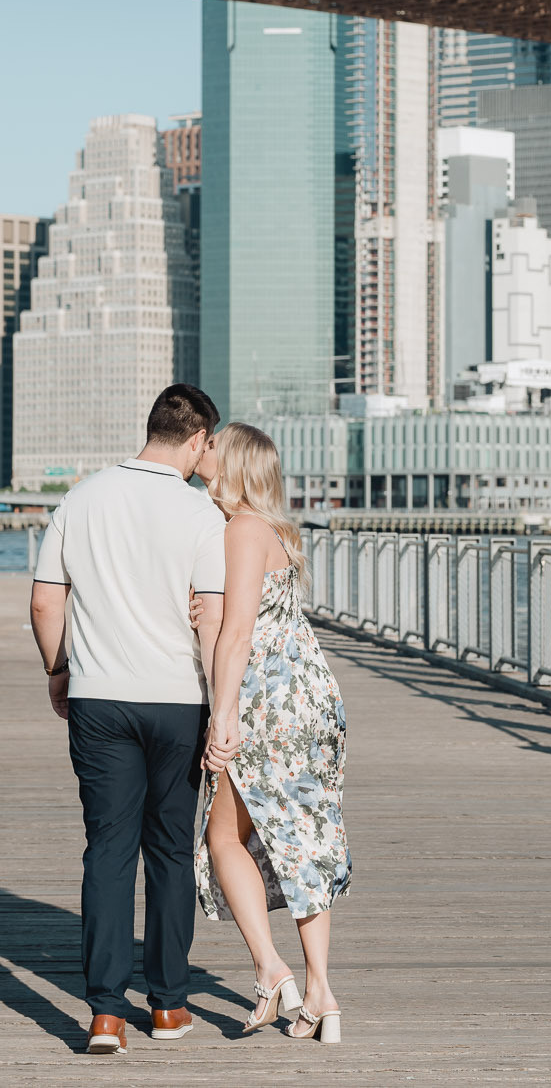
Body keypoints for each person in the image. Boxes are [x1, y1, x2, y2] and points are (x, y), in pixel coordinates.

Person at [29, 383, 227, 1056]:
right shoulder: (200, 513)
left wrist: (59, 668)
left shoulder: (82, 497)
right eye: (209, 445)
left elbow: (45, 602)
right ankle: (168, 1005)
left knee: (108, 849)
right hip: (180, 699)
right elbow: (212, 618)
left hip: (100, 696)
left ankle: (106, 1016)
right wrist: (222, 706)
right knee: (170, 850)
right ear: (197, 438)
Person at [194, 422, 351, 1044]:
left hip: (265, 703)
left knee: (222, 836)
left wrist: (223, 715)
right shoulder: (277, 530)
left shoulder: (240, 529)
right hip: (310, 698)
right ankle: (319, 993)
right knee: (303, 841)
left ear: (231, 462)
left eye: (214, 446)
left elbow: (238, 634)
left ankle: (269, 967)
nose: (204, 450)